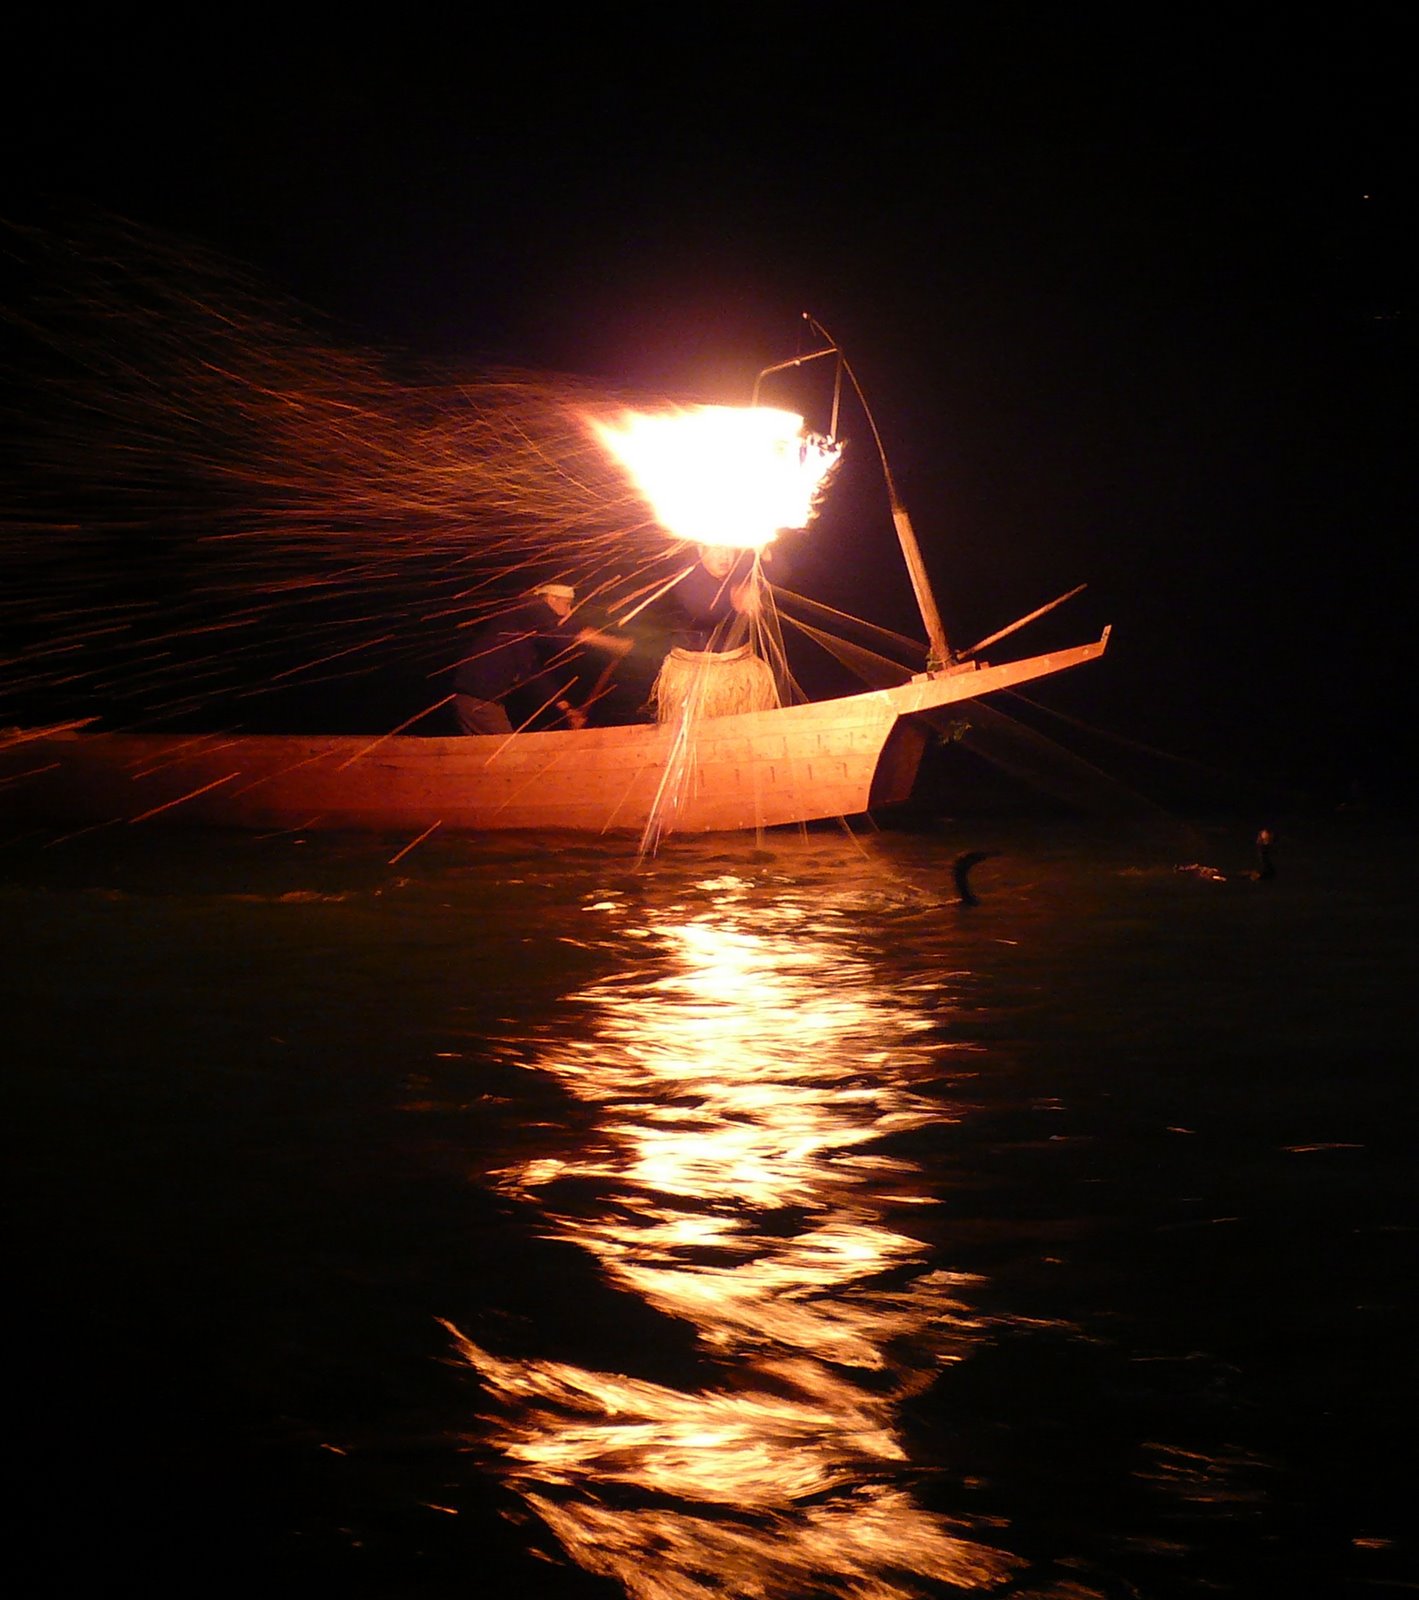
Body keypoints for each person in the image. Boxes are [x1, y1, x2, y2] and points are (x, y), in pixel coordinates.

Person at [452, 583, 628, 736]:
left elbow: (535, 676)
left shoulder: (522, 636)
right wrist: (613, 643)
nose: (568, 611)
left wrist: (567, 710)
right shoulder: (530, 606)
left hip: (478, 700)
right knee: (509, 758)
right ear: (551, 599)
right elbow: (564, 631)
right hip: (479, 701)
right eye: (567, 604)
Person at [650, 545, 776, 723]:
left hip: (740, 674)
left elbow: (782, 575)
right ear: (701, 550)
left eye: (729, 549)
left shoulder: (741, 573)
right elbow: (705, 609)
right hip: (696, 681)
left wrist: (766, 555)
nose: (725, 555)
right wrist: (733, 597)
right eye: (716, 549)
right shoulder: (685, 576)